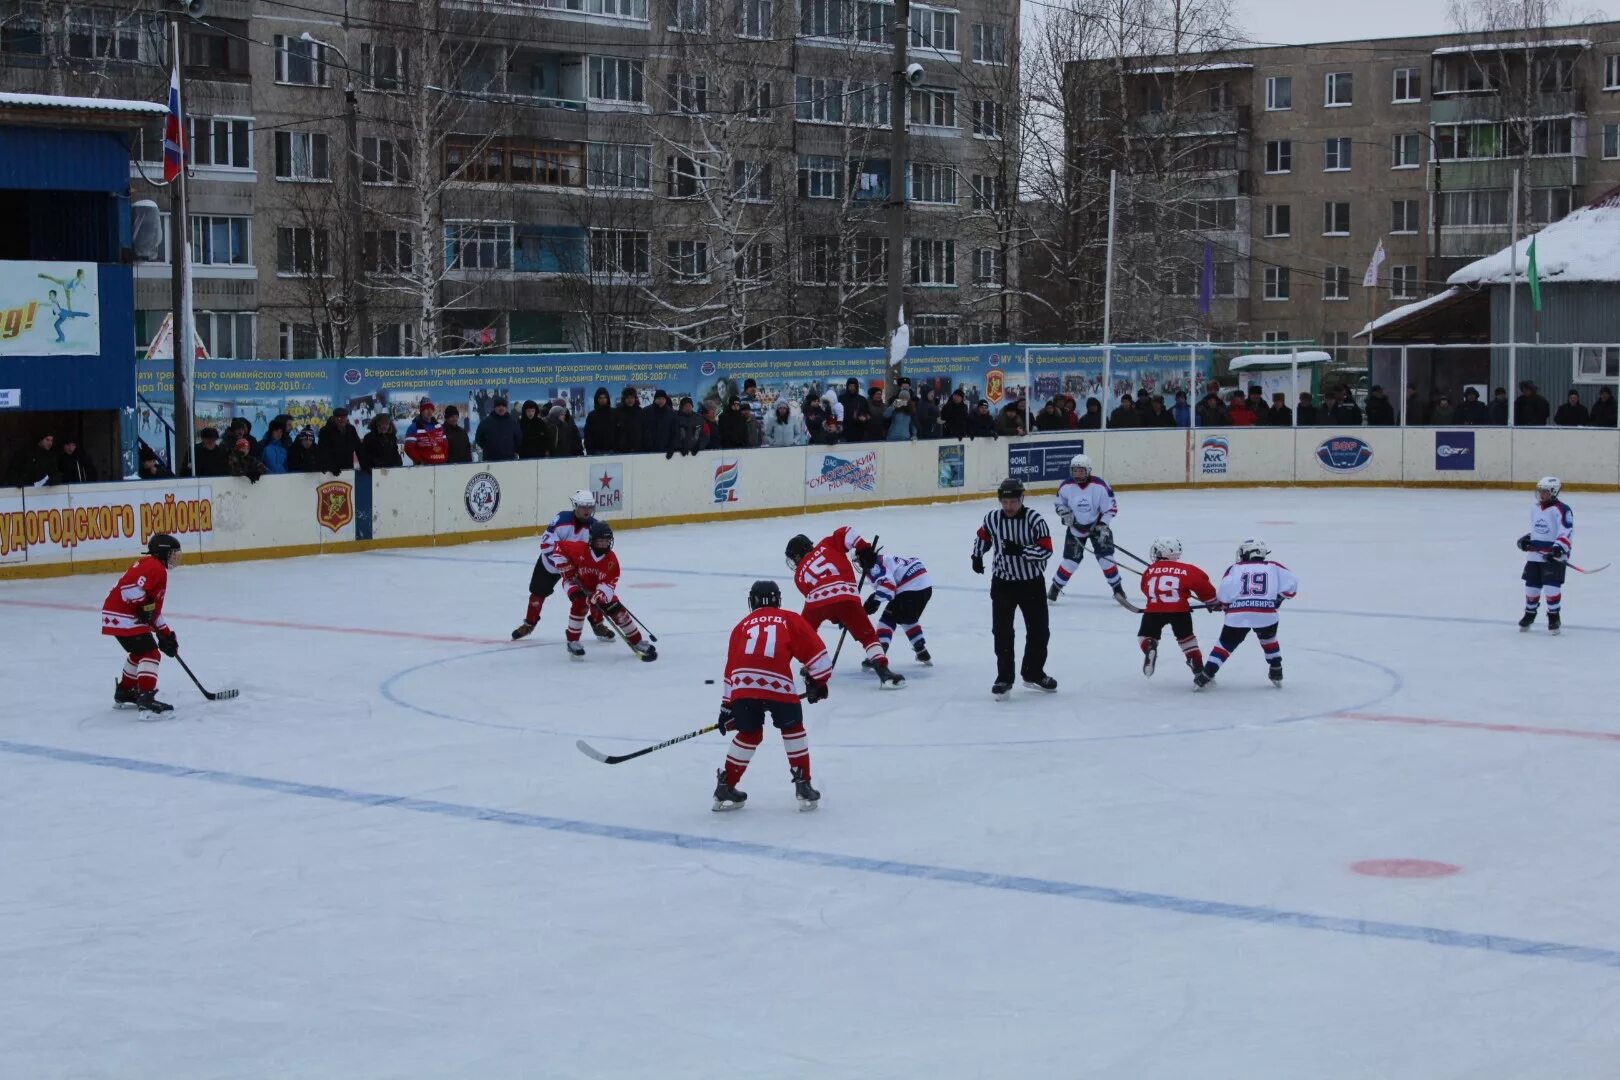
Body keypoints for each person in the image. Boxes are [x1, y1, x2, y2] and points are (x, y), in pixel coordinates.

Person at [712, 580, 833, 812]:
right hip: (777, 682)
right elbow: (819, 658)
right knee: (792, 727)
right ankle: (803, 784)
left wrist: (727, 707)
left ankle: (726, 785)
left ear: (752, 602)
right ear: (778, 600)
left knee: (749, 733)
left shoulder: (741, 626)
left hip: (742, 685)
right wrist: (818, 682)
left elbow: (730, 668)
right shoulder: (789, 618)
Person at [785, 526, 904, 687]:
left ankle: (810, 666)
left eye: (794, 558)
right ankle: (883, 671)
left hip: (816, 601)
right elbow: (847, 531)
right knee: (867, 635)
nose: (794, 562)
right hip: (845, 595)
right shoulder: (827, 544)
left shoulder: (799, 575)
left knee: (805, 632)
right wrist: (863, 549)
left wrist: (835, 617)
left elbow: (820, 601)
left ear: (799, 554)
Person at [972, 477, 1056, 698]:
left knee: (1038, 631)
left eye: (1013, 502)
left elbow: (1046, 549)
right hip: (1003, 584)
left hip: (1031, 583)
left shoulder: (1035, 520)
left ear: (1021, 499)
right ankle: (1004, 678)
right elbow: (983, 536)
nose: (1008, 507)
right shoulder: (992, 518)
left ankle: (1033, 672)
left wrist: (1021, 550)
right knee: (1002, 632)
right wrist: (977, 555)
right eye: (1004, 502)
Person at [1194, 538, 1298, 690]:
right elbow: (1292, 584)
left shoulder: (1235, 568)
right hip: (1266, 613)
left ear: (1248, 552)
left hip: (1238, 615)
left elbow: (1224, 595)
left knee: (1225, 645)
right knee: (1268, 639)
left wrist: (1224, 604)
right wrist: (1280, 598)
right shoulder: (1274, 567)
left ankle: (1206, 675)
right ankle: (1276, 670)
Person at [513, 490, 613, 642]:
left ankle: (598, 623)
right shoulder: (561, 520)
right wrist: (563, 565)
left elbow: (596, 552)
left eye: (590, 507)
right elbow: (546, 545)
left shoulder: (595, 527)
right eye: (583, 507)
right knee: (537, 594)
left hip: (577, 569)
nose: (587, 511)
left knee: (592, 594)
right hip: (551, 565)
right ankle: (529, 624)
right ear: (575, 506)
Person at [551, 521, 656, 661]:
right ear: (592, 540)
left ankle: (637, 641)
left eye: (606, 541)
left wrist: (599, 596)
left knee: (617, 610)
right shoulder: (580, 549)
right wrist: (566, 568)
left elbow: (608, 584)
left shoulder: (611, 560)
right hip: (575, 582)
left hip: (598, 588)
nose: (603, 544)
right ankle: (573, 641)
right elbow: (558, 547)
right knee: (580, 603)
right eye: (600, 541)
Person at [101, 533, 183, 714]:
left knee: (139, 653)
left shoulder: (152, 566)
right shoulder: (155, 568)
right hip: (122, 617)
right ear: (163, 553)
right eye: (172, 553)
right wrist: (142, 606)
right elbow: (129, 589)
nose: (175, 557)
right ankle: (146, 699)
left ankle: (125, 692)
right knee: (151, 653)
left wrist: (166, 634)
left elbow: (153, 612)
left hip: (117, 615)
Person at [1047, 453, 1124, 606]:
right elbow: (1059, 504)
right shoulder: (1065, 486)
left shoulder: (1100, 486)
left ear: (1088, 471)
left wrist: (1103, 525)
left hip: (1098, 527)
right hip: (1075, 528)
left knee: (1106, 558)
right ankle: (1055, 588)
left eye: (1081, 471)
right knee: (1070, 561)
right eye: (1074, 471)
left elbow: (1111, 508)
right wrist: (1064, 513)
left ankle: (1118, 590)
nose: (1077, 474)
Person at [1517, 476, 1573, 635]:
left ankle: (1554, 616)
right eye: (1540, 491)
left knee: (1551, 587)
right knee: (1531, 586)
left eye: (1545, 492)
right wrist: (1526, 539)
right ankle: (1529, 614)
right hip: (1535, 555)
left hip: (1554, 556)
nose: (1541, 494)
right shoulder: (1535, 508)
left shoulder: (1563, 510)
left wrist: (1558, 549)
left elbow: (1566, 532)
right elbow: (1539, 531)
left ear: (1554, 492)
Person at [862, 551, 934, 667]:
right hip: (925, 587)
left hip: (912, 588)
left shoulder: (874, 565)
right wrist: (875, 599)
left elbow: (888, 586)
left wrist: (875, 601)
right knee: (906, 617)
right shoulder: (885, 558)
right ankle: (921, 651)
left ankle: (878, 654)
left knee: (887, 619)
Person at [474, 397, 522, 461]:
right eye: (498, 405)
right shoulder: (485, 422)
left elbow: (518, 438)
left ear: (506, 408)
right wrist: (488, 448)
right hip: (490, 460)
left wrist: (512, 449)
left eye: (503, 406)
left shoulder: (513, 422)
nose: (501, 408)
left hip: (509, 460)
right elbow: (478, 438)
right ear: (494, 407)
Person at [316, 408, 362, 474]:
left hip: (348, 468)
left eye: (344, 418)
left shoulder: (351, 429)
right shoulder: (325, 431)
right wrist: (330, 466)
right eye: (339, 418)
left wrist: (364, 464)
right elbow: (322, 451)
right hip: (331, 471)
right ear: (334, 418)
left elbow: (359, 448)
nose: (342, 420)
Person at [404, 400, 448, 465]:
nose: (429, 411)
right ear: (421, 411)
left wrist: (445, 458)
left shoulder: (439, 426)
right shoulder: (414, 427)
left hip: (441, 465)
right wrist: (419, 461)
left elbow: (445, 444)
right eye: (426, 409)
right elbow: (408, 448)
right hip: (424, 468)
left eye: (431, 409)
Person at [641, 389, 677, 455]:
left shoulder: (672, 413)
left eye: (663, 399)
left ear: (666, 400)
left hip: (665, 450)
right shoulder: (646, 411)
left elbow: (674, 432)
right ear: (655, 399)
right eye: (659, 398)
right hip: (648, 451)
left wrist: (671, 448)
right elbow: (643, 430)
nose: (661, 401)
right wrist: (646, 446)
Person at [583, 388, 618, 455]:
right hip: (596, 452)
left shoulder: (615, 413)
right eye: (600, 398)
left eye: (605, 398)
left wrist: (617, 448)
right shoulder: (591, 415)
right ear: (597, 399)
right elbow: (587, 434)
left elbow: (619, 432)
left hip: (613, 452)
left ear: (608, 399)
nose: (603, 400)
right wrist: (590, 450)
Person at [614, 386, 645, 453]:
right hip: (622, 451)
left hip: (638, 449)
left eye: (632, 397)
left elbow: (645, 430)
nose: (630, 400)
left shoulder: (640, 412)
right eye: (627, 398)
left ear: (635, 399)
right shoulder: (618, 412)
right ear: (624, 399)